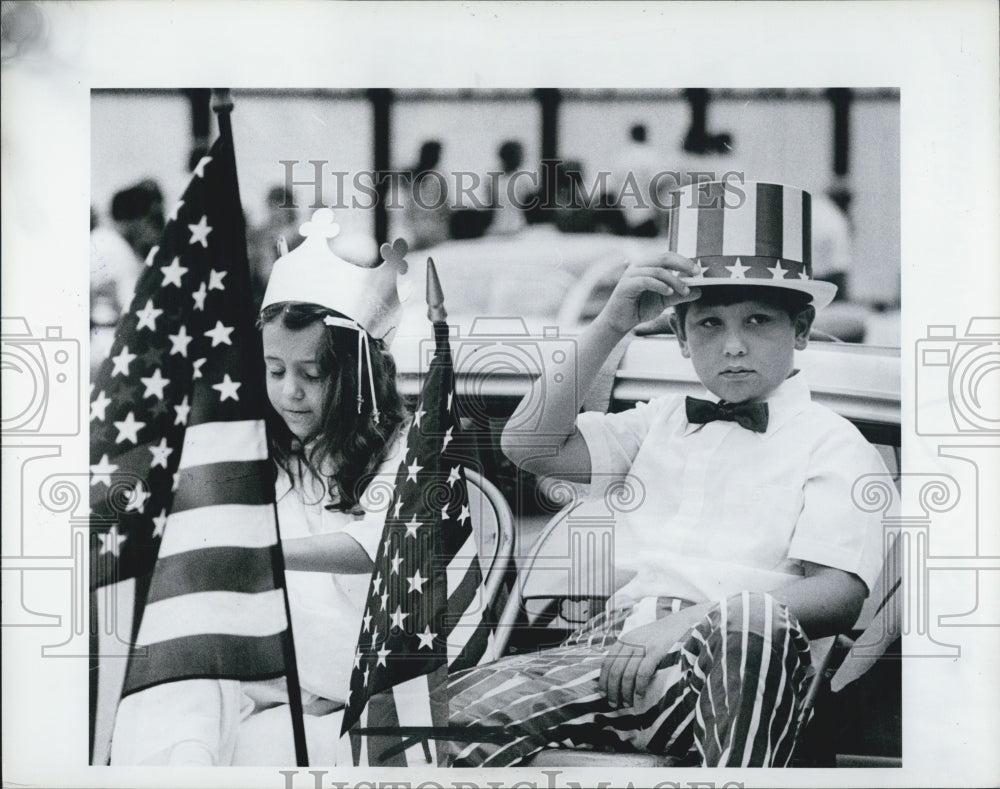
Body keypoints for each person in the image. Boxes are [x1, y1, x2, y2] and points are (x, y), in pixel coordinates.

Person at [446, 181, 887, 767]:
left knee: (753, 622)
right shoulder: (658, 422)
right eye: (708, 325)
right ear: (679, 334)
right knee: (429, 718)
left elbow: (838, 595)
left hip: (732, 663)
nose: (733, 346)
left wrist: (682, 624)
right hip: (613, 654)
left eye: (757, 321)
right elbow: (527, 444)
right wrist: (610, 324)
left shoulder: (831, 441)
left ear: (801, 329)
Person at [110, 209, 412, 765]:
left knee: (238, 745)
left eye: (312, 374)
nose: (290, 392)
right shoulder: (250, 444)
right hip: (246, 671)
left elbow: (378, 547)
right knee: (173, 689)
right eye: (275, 371)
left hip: (340, 688)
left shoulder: (398, 448)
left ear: (356, 375)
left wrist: (259, 551)